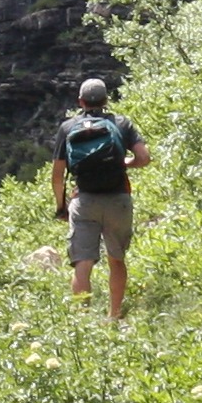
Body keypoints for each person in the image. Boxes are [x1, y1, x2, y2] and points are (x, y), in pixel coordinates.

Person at [48, 76, 151, 322]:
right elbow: (144, 157)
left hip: (83, 200)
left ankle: (83, 321)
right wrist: (127, 162)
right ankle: (113, 317)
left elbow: (57, 175)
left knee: (82, 262)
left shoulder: (68, 127)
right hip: (118, 199)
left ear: (80, 101)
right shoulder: (122, 123)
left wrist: (61, 205)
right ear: (106, 100)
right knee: (116, 259)